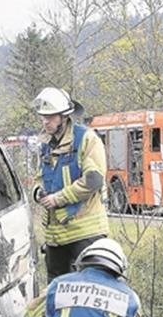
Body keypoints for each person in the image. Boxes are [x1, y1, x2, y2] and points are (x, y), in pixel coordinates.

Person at [32, 87, 110, 279]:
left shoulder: (86, 139)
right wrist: (38, 193)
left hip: (85, 234)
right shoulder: (45, 146)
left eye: (50, 117)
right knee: (56, 290)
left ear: (64, 116)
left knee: (90, 288)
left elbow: (94, 180)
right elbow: (39, 179)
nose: (45, 122)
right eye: (43, 117)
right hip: (56, 237)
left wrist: (58, 199)